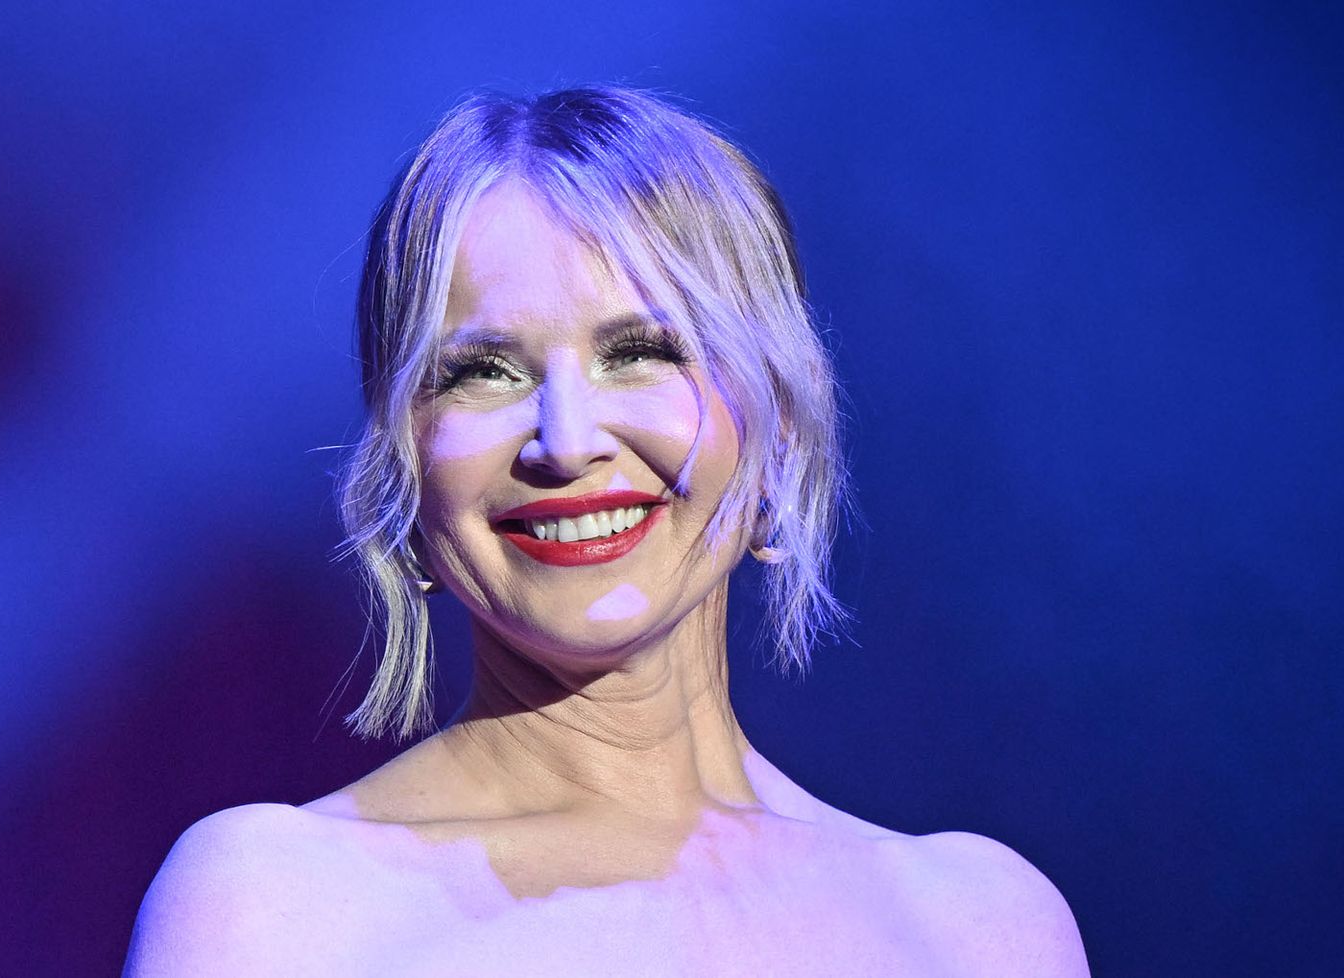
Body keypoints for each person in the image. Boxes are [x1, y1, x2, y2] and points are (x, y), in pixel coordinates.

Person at [124, 84, 1090, 976]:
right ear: (405, 472)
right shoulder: (274, 908)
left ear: (779, 435)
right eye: (482, 373)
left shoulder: (973, 927)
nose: (567, 440)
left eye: (641, 353)